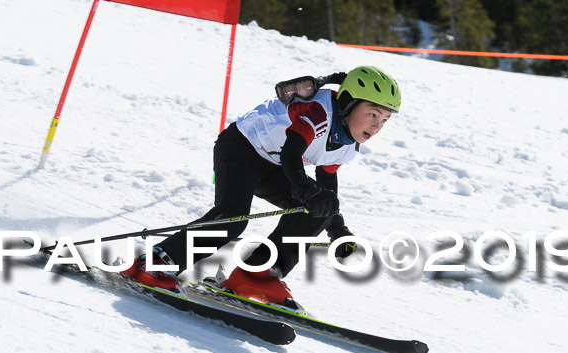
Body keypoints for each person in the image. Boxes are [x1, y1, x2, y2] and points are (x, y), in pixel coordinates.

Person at [122, 65, 401, 305]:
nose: (377, 126)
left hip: (274, 164)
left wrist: (336, 228)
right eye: (372, 114)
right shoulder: (317, 112)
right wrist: (305, 189)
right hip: (241, 148)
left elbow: (326, 184)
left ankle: (256, 274)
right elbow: (292, 152)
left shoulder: (347, 144)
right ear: (349, 103)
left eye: (385, 120)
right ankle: (156, 262)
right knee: (233, 217)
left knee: (317, 209)